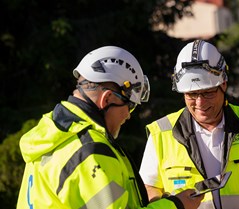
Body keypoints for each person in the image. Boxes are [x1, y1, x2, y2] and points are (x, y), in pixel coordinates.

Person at [16, 46, 203, 209]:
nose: (129, 115)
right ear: (107, 99)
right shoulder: (91, 152)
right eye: (129, 105)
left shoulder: (53, 136)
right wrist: (177, 205)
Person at [139, 40, 239, 209]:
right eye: (192, 94)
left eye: (208, 93)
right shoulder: (161, 133)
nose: (200, 102)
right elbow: (149, 189)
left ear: (223, 84)